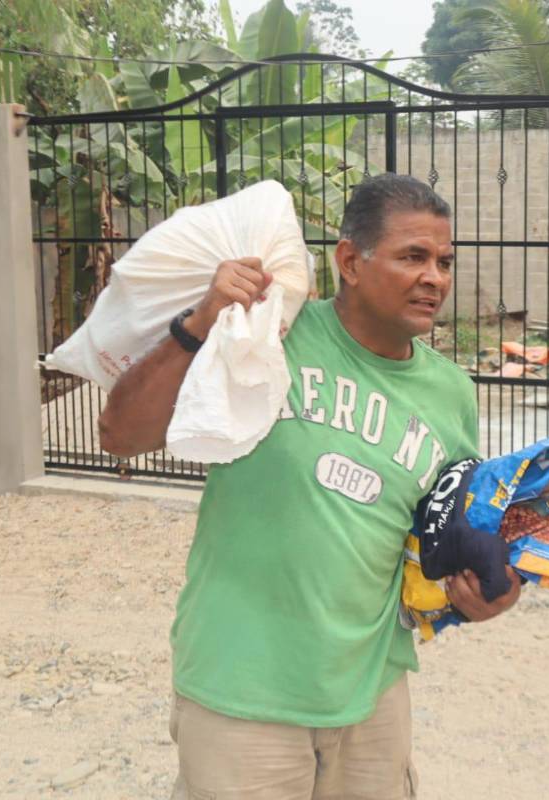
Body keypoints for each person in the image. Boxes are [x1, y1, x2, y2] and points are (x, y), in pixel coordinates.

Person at [98, 174, 521, 799]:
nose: (434, 278)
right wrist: (200, 324)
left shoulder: (450, 393)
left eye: (444, 261)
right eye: (413, 257)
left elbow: (440, 537)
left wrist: (488, 592)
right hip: (242, 693)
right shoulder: (268, 335)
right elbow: (119, 434)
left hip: (371, 696)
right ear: (350, 262)